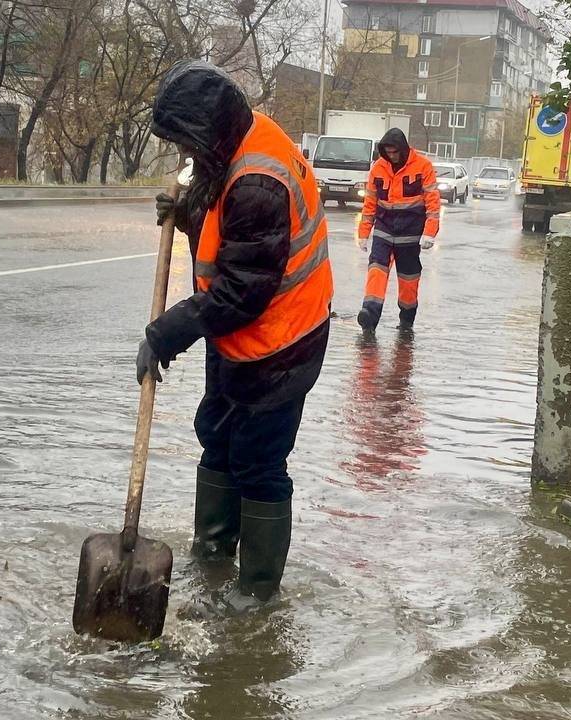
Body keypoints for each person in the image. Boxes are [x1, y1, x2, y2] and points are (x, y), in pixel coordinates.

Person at [135, 60, 333, 609]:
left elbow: (240, 292)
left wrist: (164, 334)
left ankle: (259, 589)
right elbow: (225, 220)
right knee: (217, 437)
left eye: (188, 143)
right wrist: (189, 207)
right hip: (240, 339)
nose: (185, 155)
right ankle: (213, 554)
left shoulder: (259, 183)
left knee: (258, 460)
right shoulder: (238, 142)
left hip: (281, 342)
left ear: (211, 131)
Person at [355, 129, 441, 334]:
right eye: (388, 152)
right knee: (376, 270)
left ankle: (406, 319)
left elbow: (432, 202)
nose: (391, 156)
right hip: (384, 230)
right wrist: (364, 233)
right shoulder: (378, 168)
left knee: (408, 280)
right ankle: (369, 314)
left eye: (395, 152)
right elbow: (370, 203)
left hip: (410, 234)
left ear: (403, 149)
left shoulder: (423, 166)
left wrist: (430, 232)